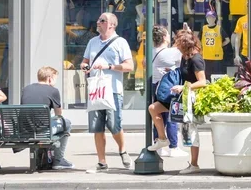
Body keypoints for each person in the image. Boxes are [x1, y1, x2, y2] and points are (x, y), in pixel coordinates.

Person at [148, 29, 207, 175]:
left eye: (178, 43)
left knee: (190, 131)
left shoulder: (196, 59)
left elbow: (203, 82)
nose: (176, 45)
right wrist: (172, 70)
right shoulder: (185, 57)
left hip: (190, 98)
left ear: (185, 45)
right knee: (153, 108)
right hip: (180, 96)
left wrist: (183, 87)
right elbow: (184, 73)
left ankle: (194, 164)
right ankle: (162, 139)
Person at [80, 11, 134, 172]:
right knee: (97, 127)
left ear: (111, 24)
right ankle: (102, 161)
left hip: (113, 90)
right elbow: (84, 61)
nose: (98, 22)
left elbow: (130, 66)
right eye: (98, 19)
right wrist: (84, 66)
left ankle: (122, 149)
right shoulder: (92, 42)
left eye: (102, 20)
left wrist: (109, 66)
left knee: (114, 124)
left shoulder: (120, 42)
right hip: (96, 89)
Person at [20, 66, 73, 170]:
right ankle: (58, 160)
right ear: (50, 78)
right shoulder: (53, 91)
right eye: (55, 79)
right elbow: (59, 115)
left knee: (41, 123)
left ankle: (41, 158)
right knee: (67, 123)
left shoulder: (26, 88)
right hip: (43, 131)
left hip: (25, 130)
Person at [150, 26, 186, 158]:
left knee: (158, 116)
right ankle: (173, 146)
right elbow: (185, 50)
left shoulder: (151, 51)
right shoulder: (171, 52)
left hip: (155, 85)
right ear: (165, 37)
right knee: (172, 115)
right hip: (168, 87)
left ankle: (158, 143)